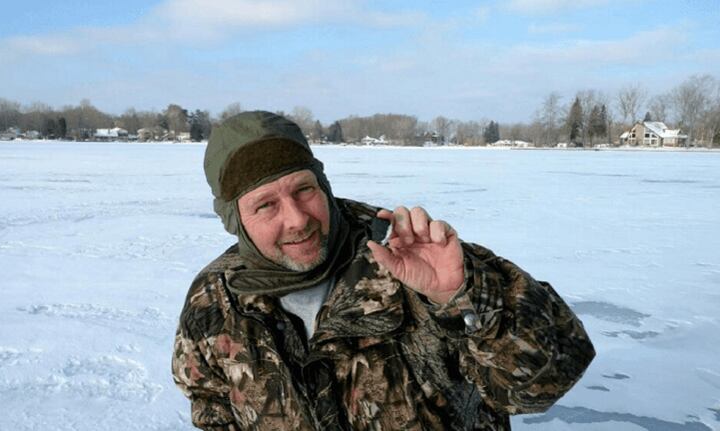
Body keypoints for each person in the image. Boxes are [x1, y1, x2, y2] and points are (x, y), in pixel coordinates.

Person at [172, 111, 595, 430]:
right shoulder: (214, 300)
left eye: (304, 189)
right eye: (266, 205)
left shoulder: (411, 257)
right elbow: (211, 407)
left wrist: (462, 295)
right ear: (235, 220)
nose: (298, 219)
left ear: (323, 185)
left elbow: (547, 382)